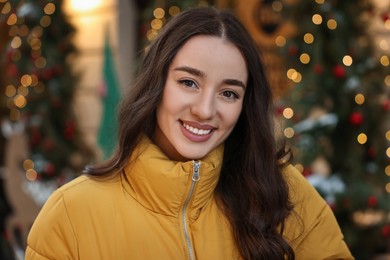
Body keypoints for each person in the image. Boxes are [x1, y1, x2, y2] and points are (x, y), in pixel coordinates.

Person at [26, 6, 353, 260]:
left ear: (244, 106)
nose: (205, 109)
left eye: (229, 93)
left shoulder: (281, 191)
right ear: (157, 85)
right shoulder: (71, 214)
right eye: (188, 82)